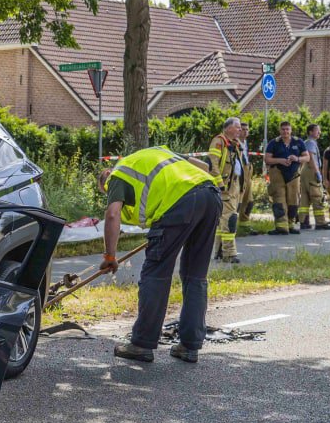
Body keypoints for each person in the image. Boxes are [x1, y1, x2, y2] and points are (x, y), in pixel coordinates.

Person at [99, 147, 222, 363]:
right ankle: (190, 346)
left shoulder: (117, 175)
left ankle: (142, 344)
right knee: (195, 276)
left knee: (156, 273)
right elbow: (204, 166)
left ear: (106, 176)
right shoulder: (158, 153)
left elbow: (112, 214)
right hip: (210, 196)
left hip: (179, 204)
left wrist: (110, 256)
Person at [208, 117, 242, 262]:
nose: (240, 130)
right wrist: (221, 185)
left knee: (223, 220)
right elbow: (213, 166)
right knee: (230, 219)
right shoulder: (219, 142)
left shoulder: (234, 144)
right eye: (237, 127)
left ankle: (219, 251)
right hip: (225, 188)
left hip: (233, 187)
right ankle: (229, 254)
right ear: (228, 128)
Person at [264, 121, 304, 235]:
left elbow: (307, 157)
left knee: (293, 200)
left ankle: (291, 225)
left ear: (291, 130)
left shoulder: (298, 142)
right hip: (277, 174)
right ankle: (281, 227)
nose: (285, 131)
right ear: (280, 130)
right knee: (279, 199)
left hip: (294, 175)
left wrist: (297, 158)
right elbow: (267, 159)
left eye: (287, 129)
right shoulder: (274, 143)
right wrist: (280, 160)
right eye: (283, 129)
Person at [299, 124, 330, 230]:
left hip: (305, 171)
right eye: (317, 130)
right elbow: (311, 158)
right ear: (310, 132)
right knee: (316, 196)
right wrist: (317, 172)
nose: (319, 132)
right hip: (311, 171)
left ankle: (303, 222)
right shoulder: (310, 143)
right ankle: (320, 222)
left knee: (304, 198)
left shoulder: (306, 142)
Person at [237, 122, 257, 228]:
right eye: (243, 129)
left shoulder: (245, 142)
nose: (245, 132)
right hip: (240, 173)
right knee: (238, 199)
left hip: (248, 171)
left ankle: (244, 224)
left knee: (249, 201)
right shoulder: (235, 142)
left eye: (247, 130)